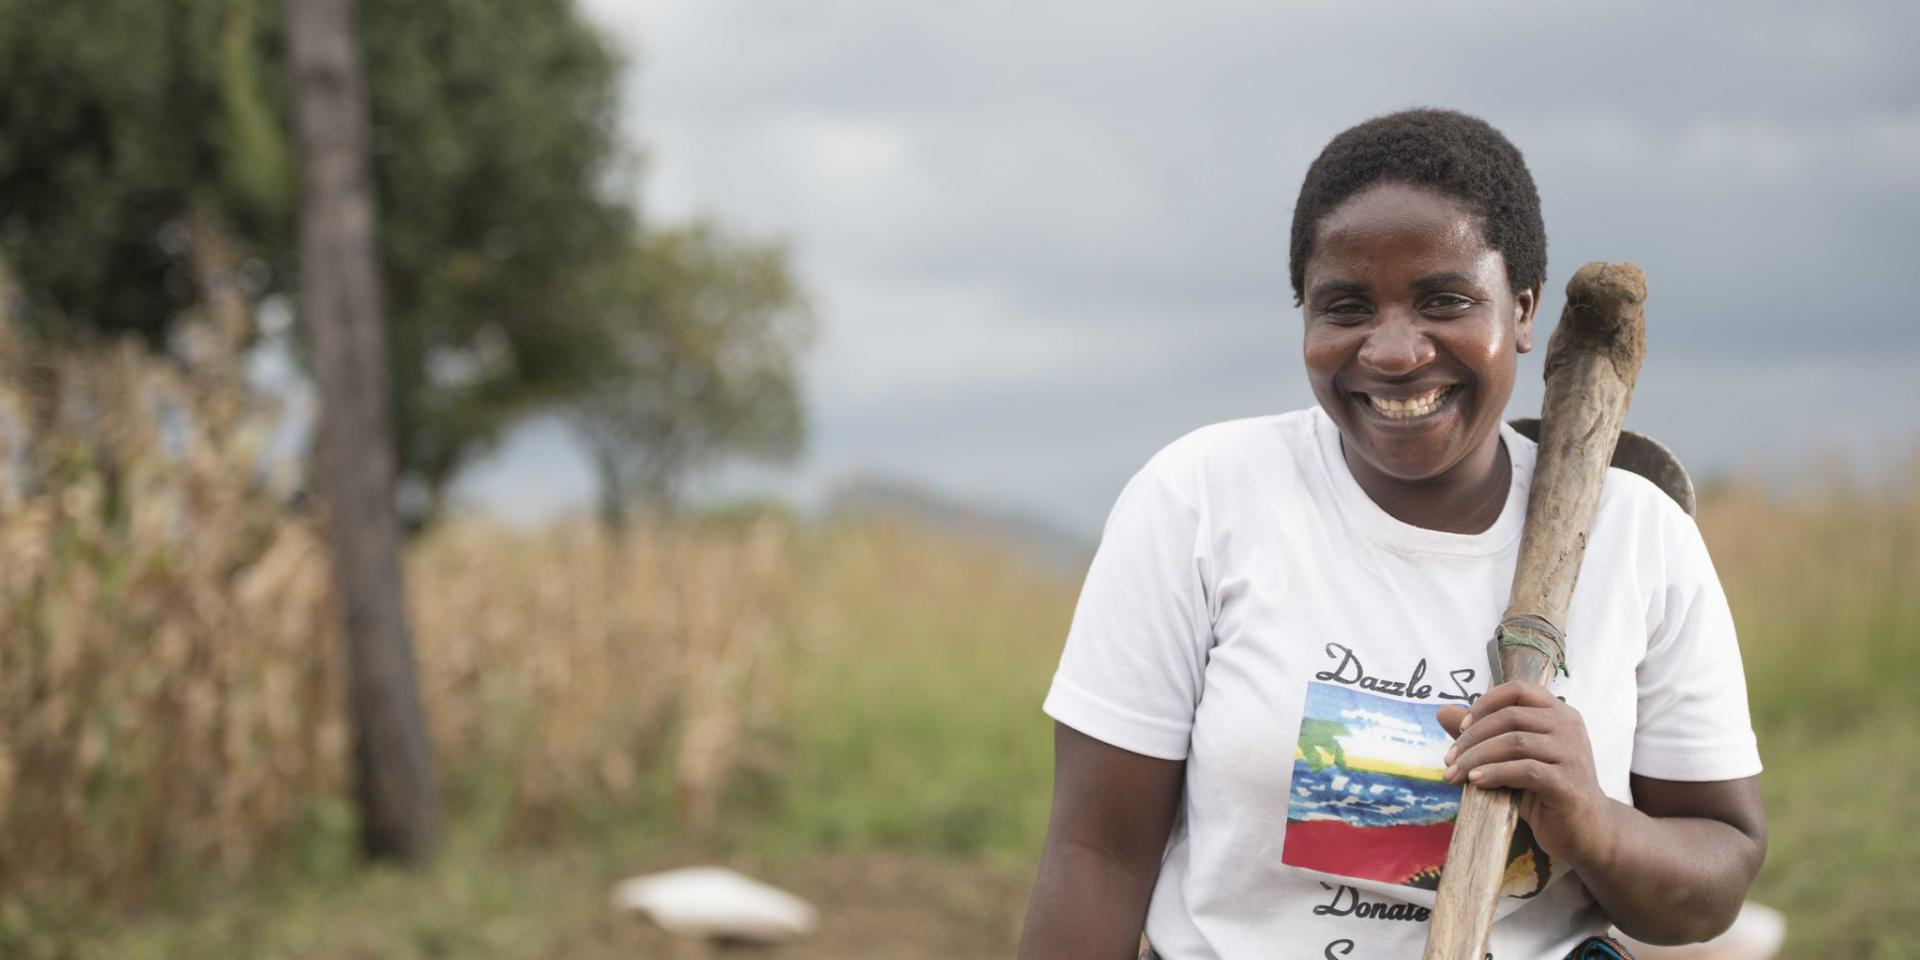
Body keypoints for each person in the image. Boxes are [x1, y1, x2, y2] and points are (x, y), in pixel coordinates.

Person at [1016, 109, 1766, 960]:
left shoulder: (1637, 537)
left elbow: (1715, 879)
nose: (1397, 350)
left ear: (1522, 310)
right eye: (1346, 306)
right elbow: (1097, 855)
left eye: (1446, 300)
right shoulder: (1201, 501)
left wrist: (1593, 821)